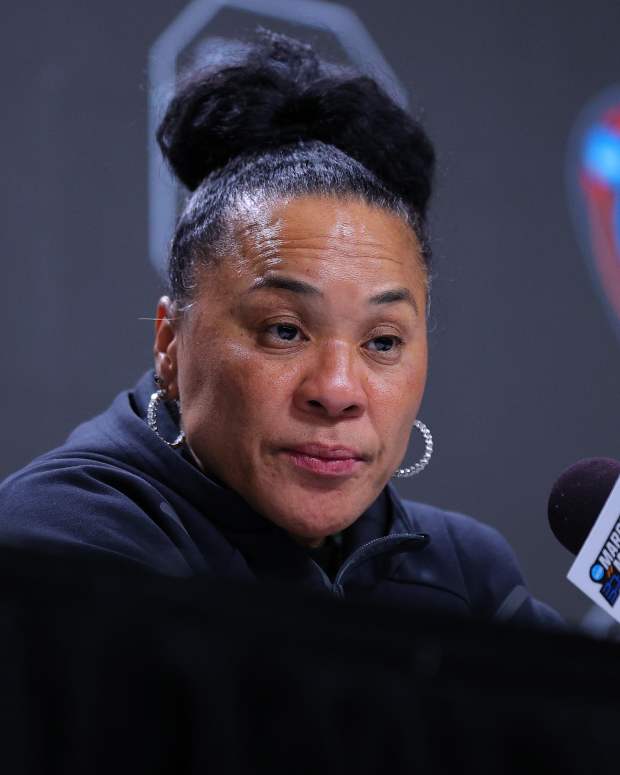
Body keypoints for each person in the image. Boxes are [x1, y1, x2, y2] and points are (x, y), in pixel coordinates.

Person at [0, 29, 560, 626]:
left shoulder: (465, 572)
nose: (338, 391)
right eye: (285, 331)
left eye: (383, 341)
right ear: (170, 344)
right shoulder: (60, 537)